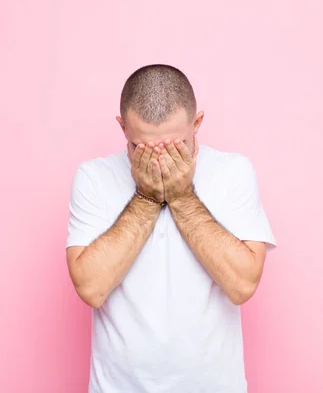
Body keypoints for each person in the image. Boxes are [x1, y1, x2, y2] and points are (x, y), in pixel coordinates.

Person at [65, 64, 276, 393]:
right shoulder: (94, 178)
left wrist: (182, 196)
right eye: (143, 149)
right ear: (123, 128)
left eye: (175, 147)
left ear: (197, 124)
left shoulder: (233, 171)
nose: (160, 163)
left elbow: (242, 284)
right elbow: (91, 288)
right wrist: (146, 198)